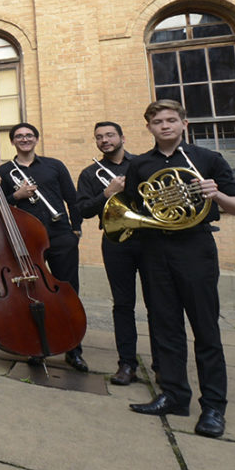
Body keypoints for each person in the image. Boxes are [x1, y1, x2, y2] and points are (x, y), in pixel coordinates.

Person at [124, 100, 235, 439]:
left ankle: (213, 407)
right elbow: (137, 207)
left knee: (205, 329)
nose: (164, 126)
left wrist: (217, 194)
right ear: (148, 127)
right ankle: (175, 396)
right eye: (157, 121)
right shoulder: (142, 165)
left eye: (171, 120)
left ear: (184, 123)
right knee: (165, 328)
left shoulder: (207, 160)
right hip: (155, 249)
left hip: (195, 248)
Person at [0, 122, 87, 372]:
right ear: (13, 141)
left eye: (28, 135)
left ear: (36, 139)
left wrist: (76, 228)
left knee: (68, 291)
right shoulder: (4, 171)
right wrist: (17, 195)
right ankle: (38, 347)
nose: (24, 139)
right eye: (19, 136)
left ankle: (73, 349)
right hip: (26, 240)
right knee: (33, 293)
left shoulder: (54, 165)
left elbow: (72, 197)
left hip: (59, 234)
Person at [75, 121, 143, 385]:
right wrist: (108, 192)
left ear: (122, 137)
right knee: (123, 304)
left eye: (110, 135)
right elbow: (83, 210)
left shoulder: (142, 164)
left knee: (159, 304)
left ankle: (163, 363)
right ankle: (127, 364)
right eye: (99, 137)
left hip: (149, 239)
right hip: (116, 240)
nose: (105, 140)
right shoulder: (90, 173)